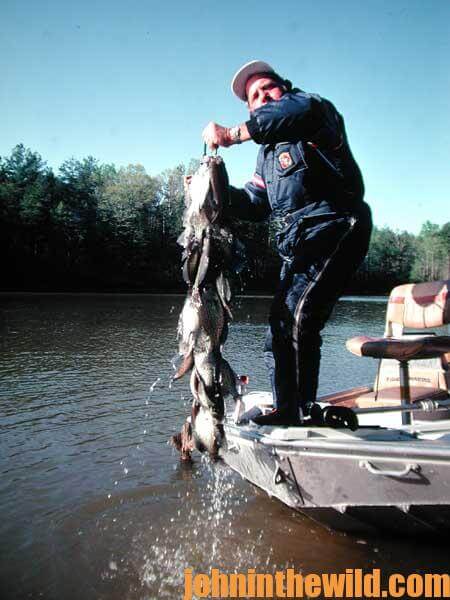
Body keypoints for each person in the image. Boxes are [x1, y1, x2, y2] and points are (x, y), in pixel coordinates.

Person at [202, 60, 372, 426]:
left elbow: (300, 112)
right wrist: (211, 192)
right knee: (287, 324)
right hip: (298, 240)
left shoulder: (313, 112)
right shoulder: (266, 156)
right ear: (249, 108)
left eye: (268, 89)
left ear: (285, 88)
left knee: (290, 319)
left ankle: (290, 414)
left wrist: (231, 134)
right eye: (253, 97)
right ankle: (296, 407)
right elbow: (255, 202)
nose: (262, 97)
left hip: (336, 223)